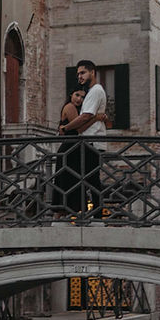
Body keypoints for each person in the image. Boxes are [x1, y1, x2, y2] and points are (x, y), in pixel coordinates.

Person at [58, 60, 107, 215]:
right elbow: (87, 118)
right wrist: (98, 117)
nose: (79, 76)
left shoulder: (95, 91)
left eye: (83, 72)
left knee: (91, 180)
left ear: (92, 72)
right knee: (86, 180)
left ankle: (96, 215)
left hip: (92, 141)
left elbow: (86, 116)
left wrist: (65, 128)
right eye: (78, 73)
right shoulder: (91, 93)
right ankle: (86, 214)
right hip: (87, 141)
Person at [52, 89, 86, 214]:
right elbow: (80, 127)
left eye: (82, 97)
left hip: (72, 149)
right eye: (77, 95)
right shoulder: (70, 107)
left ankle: (64, 215)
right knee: (68, 181)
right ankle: (63, 215)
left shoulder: (76, 109)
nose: (79, 99)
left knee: (70, 181)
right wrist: (95, 118)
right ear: (71, 94)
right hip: (69, 150)